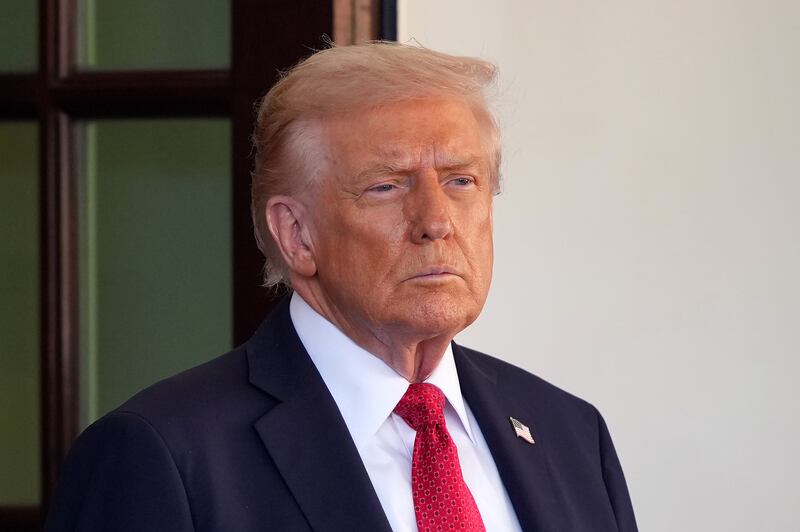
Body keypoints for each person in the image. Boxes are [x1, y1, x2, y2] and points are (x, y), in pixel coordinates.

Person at [45, 43, 637, 532]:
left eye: (461, 181)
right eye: (386, 186)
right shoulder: (163, 455)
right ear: (296, 234)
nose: (436, 221)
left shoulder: (570, 433)